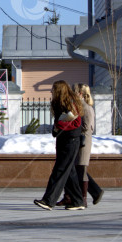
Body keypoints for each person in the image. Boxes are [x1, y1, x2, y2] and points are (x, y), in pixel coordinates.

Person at [34, 80, 85, 211]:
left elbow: (76, 123)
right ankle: (78, 201)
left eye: (53, 89)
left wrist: (59, 125)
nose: (51, 92)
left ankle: (48, 200)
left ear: (59, 91)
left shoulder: (70, 103)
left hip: (71, 141)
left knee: (60, 170)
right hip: (64, 140)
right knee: (70, 172)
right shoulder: (61, 103)